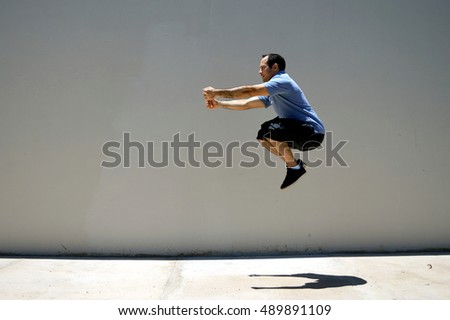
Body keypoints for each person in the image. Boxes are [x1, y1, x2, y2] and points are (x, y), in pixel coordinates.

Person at [203, 53, 325, 189]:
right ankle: (295, 167)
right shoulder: (274, 92)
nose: (259, 72)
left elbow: (249, 91)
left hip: (311, 132)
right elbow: (247, 104)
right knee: (263, 136)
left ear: (275, 67)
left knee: (270, 130)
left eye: (263, 68)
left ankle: (294, 167)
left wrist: (216, 92)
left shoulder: (283, 81)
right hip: (301, 133)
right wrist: (220, 104)